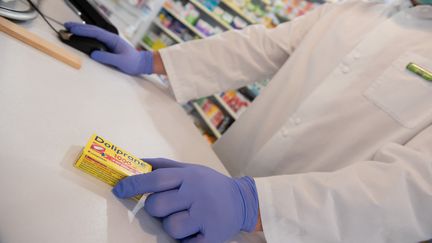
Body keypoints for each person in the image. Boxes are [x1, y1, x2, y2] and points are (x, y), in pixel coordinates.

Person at [65, 0, 432, 242]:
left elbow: (417, 190)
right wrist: (152, 62)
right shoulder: (366, 5)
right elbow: (263, 46)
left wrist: (253, 204)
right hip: (210, 179)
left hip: (299, 228)